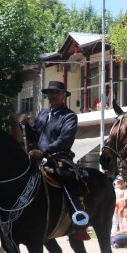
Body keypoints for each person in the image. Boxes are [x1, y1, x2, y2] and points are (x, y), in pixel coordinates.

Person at [18, 80, 86, 210]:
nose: (53, 95)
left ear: (63, 96)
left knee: (68, 177)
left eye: (57, 93)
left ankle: (76, 213)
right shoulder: (43, 114)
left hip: (59, 158)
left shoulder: (69, 116)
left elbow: (64, 140)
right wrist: (25, 125)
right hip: (37, 156)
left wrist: (43, 152)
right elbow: (34, 137)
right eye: (50, 93)